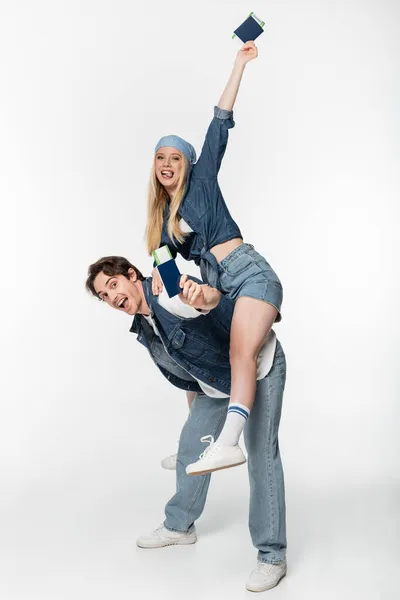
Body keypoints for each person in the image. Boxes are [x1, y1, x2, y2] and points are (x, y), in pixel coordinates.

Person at [85, 256, 287, 593]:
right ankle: (180, 527)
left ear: (131, 275)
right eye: (104, 296)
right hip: (217, 383)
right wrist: (195, 422)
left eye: (113, 284)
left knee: (260, 457)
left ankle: (271, 557)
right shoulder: (144, 324)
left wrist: (187, 286)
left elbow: (201, 299)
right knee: (190, 448)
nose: (112, 296)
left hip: (258, 367)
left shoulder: (167, 293)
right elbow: (189, 373)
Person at [146, 41, 283, 475]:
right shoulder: (163, 220)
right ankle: (194, 442)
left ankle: (229, 442)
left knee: (241, 352)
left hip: (250, 274)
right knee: (197, 354)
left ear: (187, 163)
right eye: (160, 158)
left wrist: (238, 65)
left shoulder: (202, 180)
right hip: (219, 289)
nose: (167, 164)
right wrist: (161, 282)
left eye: (175, 157)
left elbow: (218, 122)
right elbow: (169, 280)